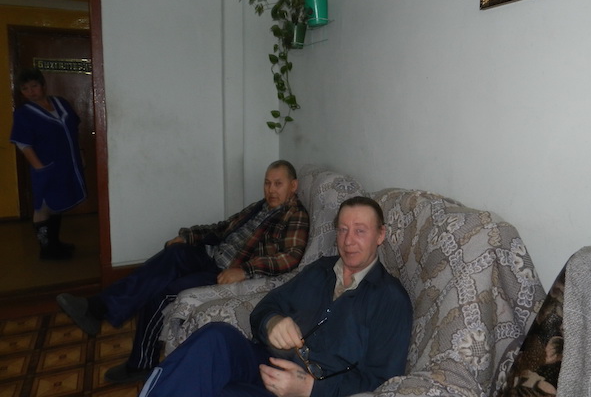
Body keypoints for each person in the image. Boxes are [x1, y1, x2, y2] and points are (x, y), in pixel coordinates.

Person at [56, 160, 309, 384]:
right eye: (267, 183)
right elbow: (221, 229)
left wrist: (244, 270)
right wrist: (188, 236)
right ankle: (97, 307)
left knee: (163, 292)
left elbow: (290, 257)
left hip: (224, 271)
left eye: (278, 184)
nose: (271, 189)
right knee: (173, 253)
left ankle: (140, 363)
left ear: (293, 185)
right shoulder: (259, 207)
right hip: (210, 255)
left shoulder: (294, 215)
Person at [138, 196, 413, 397]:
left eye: (360, 231)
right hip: (265, 363)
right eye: (343, 229)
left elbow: (382, 382)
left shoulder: (391, 300)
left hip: (310, 390)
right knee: (216, 336)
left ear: (380, 235)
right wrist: (272, 322)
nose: (349, 240)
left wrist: (310, 389)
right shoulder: (320, 270)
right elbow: (266, 307)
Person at [10, 68, 87, 260]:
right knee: (42, 207)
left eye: (34, 86)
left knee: (57, 203)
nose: (31, 91)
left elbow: (73, 130)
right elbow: (23, 143)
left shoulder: (61, 103)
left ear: (43, 85)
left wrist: (80, 152)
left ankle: (55, 242)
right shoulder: (23, 114)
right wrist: (39, 167)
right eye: (25, 89)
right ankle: (47, 249)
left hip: (66, 163)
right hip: (44, 166)